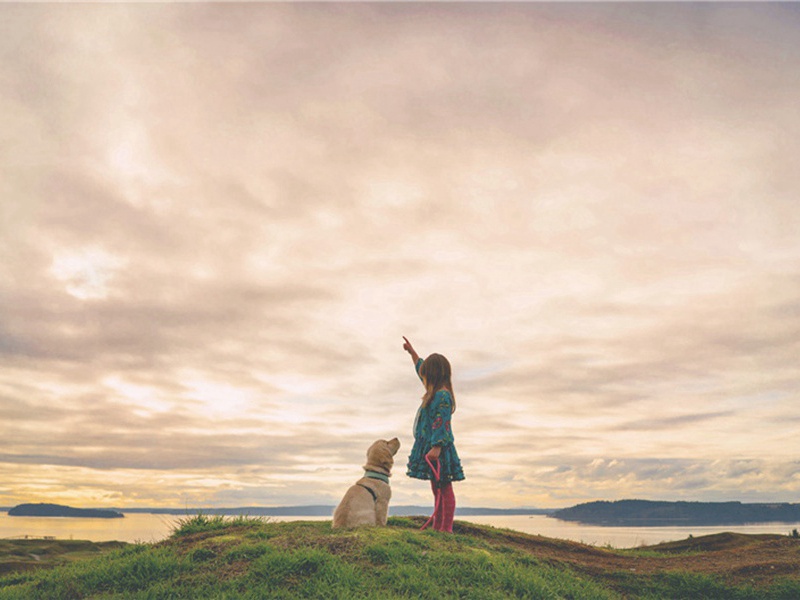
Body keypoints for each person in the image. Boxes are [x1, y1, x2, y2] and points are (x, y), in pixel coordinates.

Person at [402, 336, 465, 533]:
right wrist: (413, 354)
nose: (424, 378)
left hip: (439, 449)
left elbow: (442, 423)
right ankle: (438, 527)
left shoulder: (442, 396)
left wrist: (436, 447)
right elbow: (421, 371)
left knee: (444, 488)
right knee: (436, 488)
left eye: (427, 375)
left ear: (434, 376)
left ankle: (445, 529)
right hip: (431, 447)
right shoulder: (435, 391)